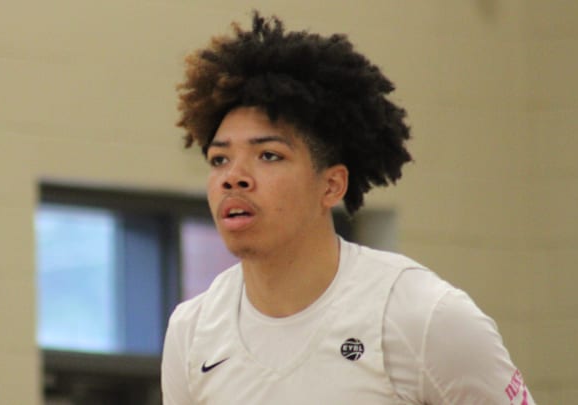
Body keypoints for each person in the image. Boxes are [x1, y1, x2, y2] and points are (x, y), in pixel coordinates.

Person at [161, 11, 534, 405]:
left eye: (268, 155)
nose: (233, 177)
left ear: (332, 185)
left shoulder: (424, 318)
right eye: (220, 159)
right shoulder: (192, 330)